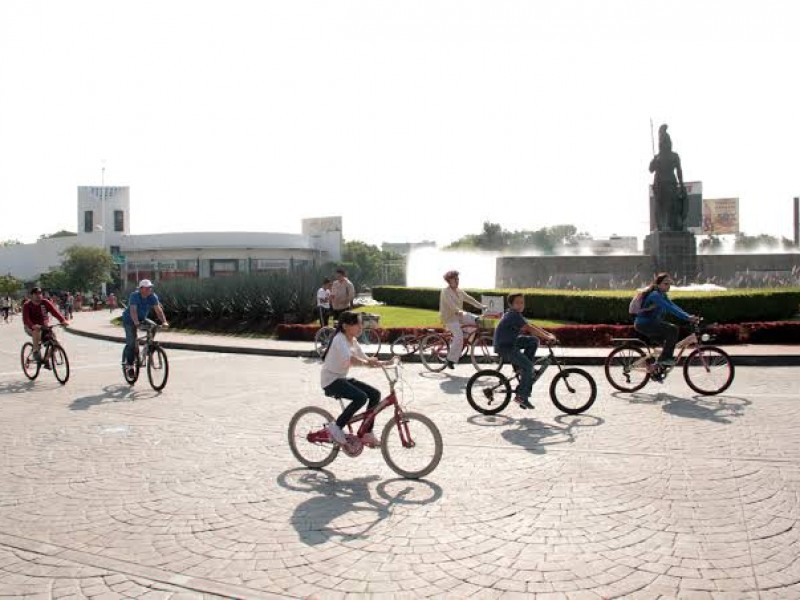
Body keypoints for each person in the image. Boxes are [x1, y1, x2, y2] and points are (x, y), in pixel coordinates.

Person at [321, 311, 392, 448]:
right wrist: (366, 363)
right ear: (345, 326)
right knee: (361, 397)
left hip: (341, 378)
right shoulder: (339, 339)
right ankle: (336, 427)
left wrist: (387, 363)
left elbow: (365, 358)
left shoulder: (352, 340)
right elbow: (351, 359)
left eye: (361, 324)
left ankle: (366, 432)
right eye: (357, 324)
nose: (361, 327)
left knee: (375, 394)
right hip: (330, 381)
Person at [494, 293, 558, 410]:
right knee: (529, 367)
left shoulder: (515, 314)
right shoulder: (513, 315)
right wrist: (548, 338)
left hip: (511, 342)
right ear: (511, 304)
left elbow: (530, 325)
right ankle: (521, 396)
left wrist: (547, 334)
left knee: (533, 340)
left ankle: (522, 368)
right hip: (505, 347)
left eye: (522, 302)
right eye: (517, 302)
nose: (520, 305)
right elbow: (529, 328)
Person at [634, 272, 699, 366]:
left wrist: (688, 316)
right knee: (673, 329)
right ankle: (664, 359)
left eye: (669, 284)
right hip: (644, 324)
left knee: (668, 345)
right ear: (658, 284)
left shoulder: (662, 295)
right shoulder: (655, 295)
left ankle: (656, 368)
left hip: (651, 323)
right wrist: (687, 318)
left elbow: (673, 306)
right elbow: (670, 309)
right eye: (665, 283)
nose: (668, 286)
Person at [121, 279, 169, 377]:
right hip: (129, 320)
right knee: (131, 343)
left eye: (150, 288)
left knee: (154, 326)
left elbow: (158, 310)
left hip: (142, 318)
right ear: (141, 289)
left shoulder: (152, 296)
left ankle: (149, 346)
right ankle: (130, 366)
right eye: (147, 288)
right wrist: (136, 323)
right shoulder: (134, 296)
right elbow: (133, 310)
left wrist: (164, 321)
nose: (149, 290)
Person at [439, 270, 485, 369]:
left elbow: (470, 299)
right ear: (449, 281)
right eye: (454, 279)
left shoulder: (459, 291)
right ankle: (449, 359)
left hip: (459, 315)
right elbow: (450, 305)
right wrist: (458, 311)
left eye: (457, 279)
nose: (457, 280)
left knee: (476, 320)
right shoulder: (445, 292)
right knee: (459, 337)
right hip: (449, 318)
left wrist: (481, 306)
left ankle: (465, 337)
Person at [22, 287, 69, 367]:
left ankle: (46, 359)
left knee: (55, 344)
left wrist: (62, 320)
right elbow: (26, 319)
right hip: (30, 327)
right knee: (36, 331)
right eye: (36, 294)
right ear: (31, 296)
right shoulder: (27, 305)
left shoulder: (45, 302)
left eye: (40, 294)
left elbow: (55, 312)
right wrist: (33, 325)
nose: (38, 296)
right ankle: (36, 350)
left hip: (44, 327)